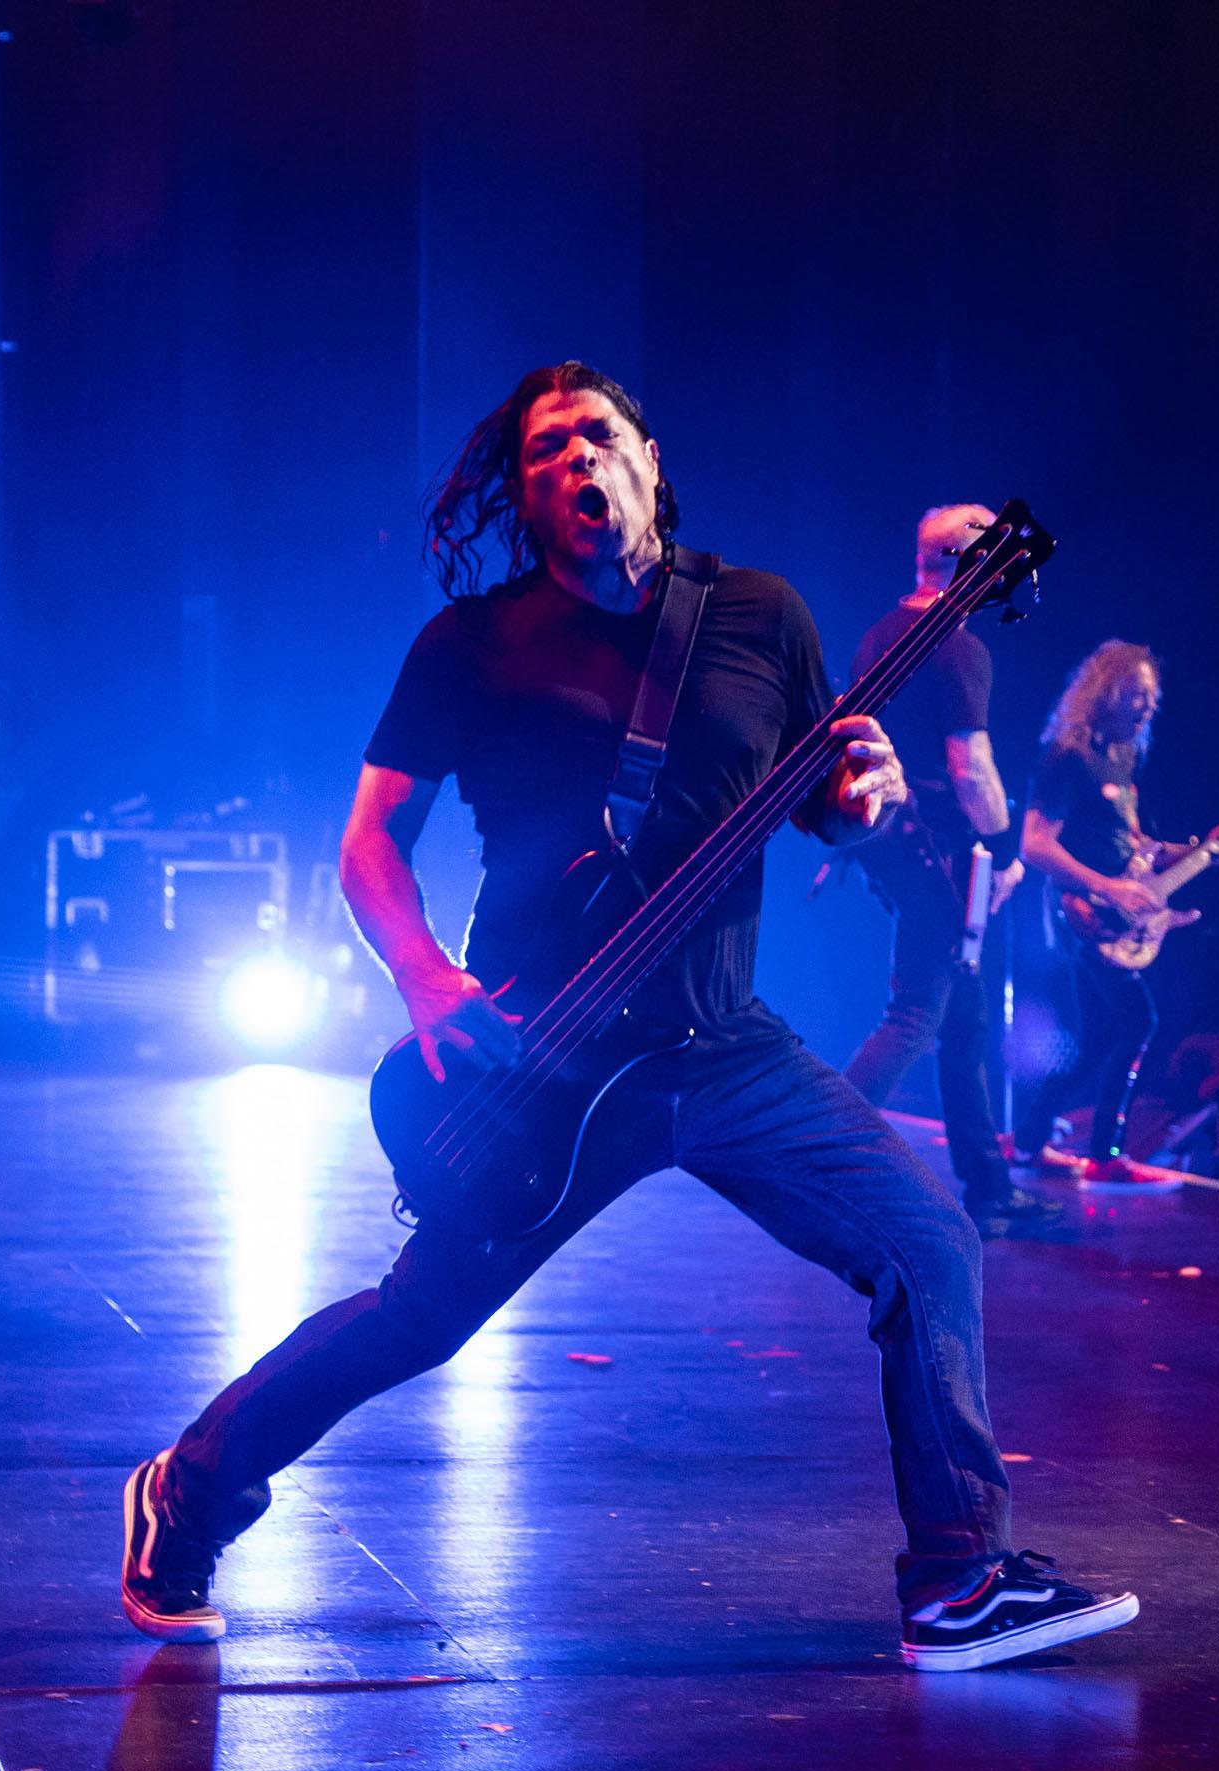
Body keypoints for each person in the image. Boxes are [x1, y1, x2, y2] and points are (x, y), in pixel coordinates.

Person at [117, 363, 1135, 1674]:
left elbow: (822, 803)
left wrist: (866, 798)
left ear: (649, 458)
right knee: (420, 1317)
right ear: (524, 493)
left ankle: (958, 1577)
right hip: (548, 1051)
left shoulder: (763, 616)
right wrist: (425, 978)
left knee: (930, 1239)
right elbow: (370, 841)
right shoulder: (471, 645)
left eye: (595, 435)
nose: (574, 462)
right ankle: (190, 1487)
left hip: (725, 1045)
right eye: (544, 452)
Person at [839, 505, 1064, 1240]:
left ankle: (990, 1187)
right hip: (941, 854)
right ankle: (815, 1149)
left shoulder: (882, 632)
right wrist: (1004, 852)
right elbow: (971, 769)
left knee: (964, 1019)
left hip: (893, 842)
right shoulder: (957, 645)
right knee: (917, 1013)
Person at [1011, 639, 1219, 1184]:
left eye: (1152, 696)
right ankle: (1103, 1155)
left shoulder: (1123, 761)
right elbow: (1034, 843)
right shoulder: (1068, 757)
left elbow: (1135, 845)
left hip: (1114, 915)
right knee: (1137, 1020)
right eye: (1136, 693)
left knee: (1101, 1036)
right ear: (1105, 692)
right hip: (1084, 915)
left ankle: (1029, 1141)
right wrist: (1107, 889)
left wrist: (1202, 849)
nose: (1148, 706)